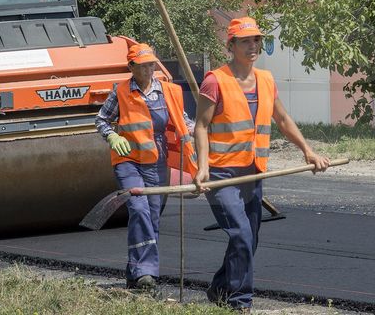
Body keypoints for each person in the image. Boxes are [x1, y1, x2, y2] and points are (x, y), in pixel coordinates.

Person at [193, 16, 330, 311]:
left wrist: (307, 150)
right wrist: (202, 167)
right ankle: (240, 303)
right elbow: (200, 126)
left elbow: (281, 119)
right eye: (245, 41)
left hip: (253, 171)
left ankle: (219, 289)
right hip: (221, 175)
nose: (253, 45)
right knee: (240, 234)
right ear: (231, 45)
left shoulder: (265, 80)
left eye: (256, 39)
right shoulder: (215, 81)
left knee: (249, 240)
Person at [95, 42, 197, 291]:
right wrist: (112, 136)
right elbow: (101, 120)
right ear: (131, 67)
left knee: (151, 218)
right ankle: (147, 274)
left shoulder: (168, 92)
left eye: (151, 64)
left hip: (157, 164)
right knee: (139, 210)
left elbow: (184, 123)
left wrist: (204, 130)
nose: (149, 70)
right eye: (142, 66)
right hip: (128, 162)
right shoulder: (120, 92)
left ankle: (135, 272)